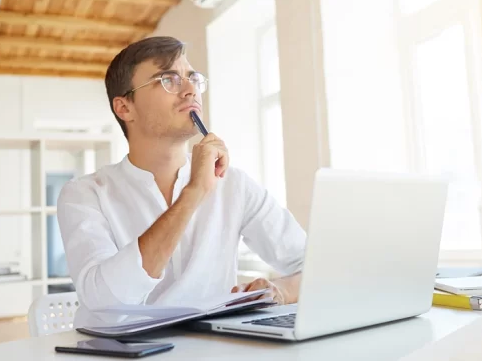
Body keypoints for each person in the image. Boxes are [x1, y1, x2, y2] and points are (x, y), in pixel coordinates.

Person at [57, 36, 306, 327]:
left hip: (213, 356)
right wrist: (193, 193)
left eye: (193, 78)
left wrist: (281, 292)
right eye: (168, 79)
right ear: (124, 108)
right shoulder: (85, 195)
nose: (190, 90)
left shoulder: (234, 184)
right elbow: (106, 301)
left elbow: (315, 264)